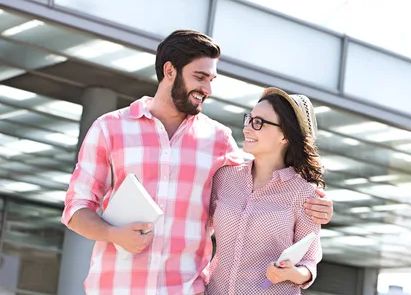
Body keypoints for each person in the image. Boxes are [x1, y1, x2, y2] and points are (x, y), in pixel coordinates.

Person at [61, 30, 333, 295]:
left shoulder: (218, 139)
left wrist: (317, 203)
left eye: (211, 79)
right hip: (116, 287)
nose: (208, 89)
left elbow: (261, 185)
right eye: (200, 77)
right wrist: (113, 233)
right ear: (170, 71)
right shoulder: (110, 129)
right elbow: (76, 209)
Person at [205, 87, 324, 294]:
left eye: (258, 123)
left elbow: (309, 262)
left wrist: (289, 273)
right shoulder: (224, 177)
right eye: (249, 119)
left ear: (285, 135)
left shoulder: (303, 194)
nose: (248, 129)